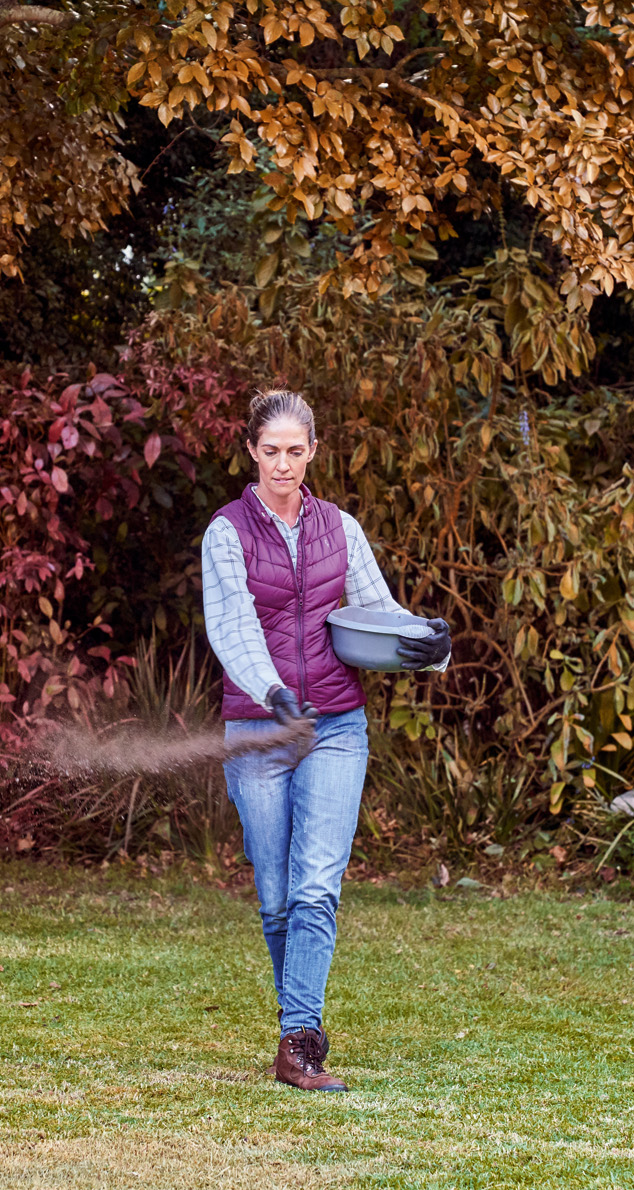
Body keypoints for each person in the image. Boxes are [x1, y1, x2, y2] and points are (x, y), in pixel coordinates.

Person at [202, 389, 451, 1092]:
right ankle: (298, 1028)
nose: (283, 464)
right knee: (277, 896)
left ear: (313, 450)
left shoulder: (340, 528)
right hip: (260, 729)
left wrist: (428, 643)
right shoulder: (227, 532)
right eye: (270, 450)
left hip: (337, 725)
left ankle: (299, 1043)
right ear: (252, 451)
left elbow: (377, 611)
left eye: (295, 450)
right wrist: (271, 690)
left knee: (315, 888)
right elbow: (234, 626)